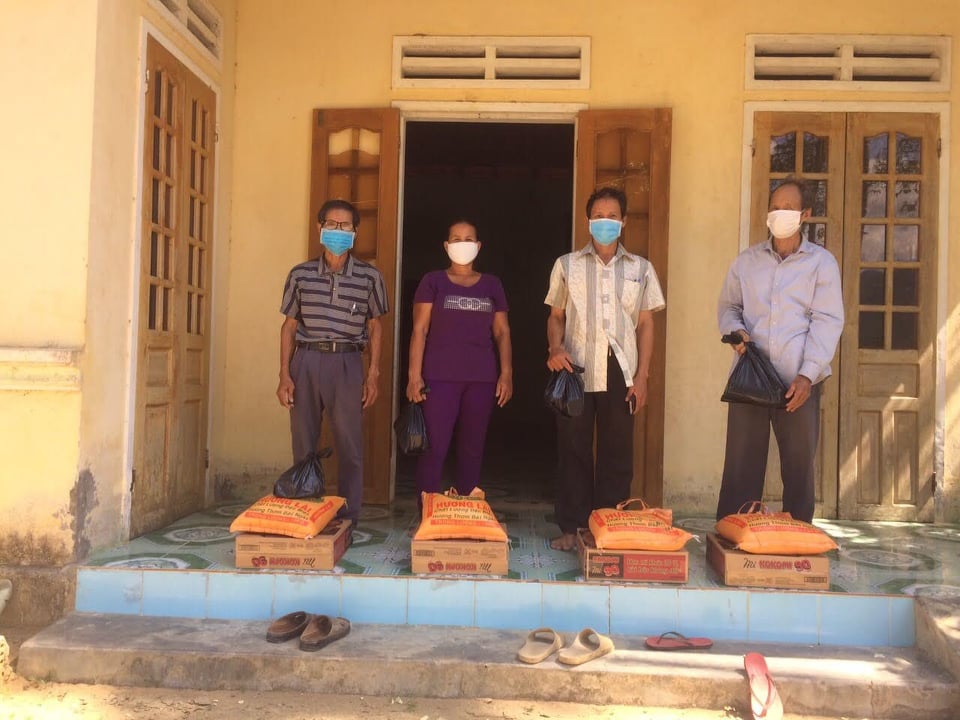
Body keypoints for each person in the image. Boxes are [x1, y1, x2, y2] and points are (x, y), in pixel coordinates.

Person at [544, 187, 665, 551]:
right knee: (573, 449)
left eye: (612, 216)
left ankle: (608, 528)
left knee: (617, 453)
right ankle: (572, 528)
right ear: (588, 220)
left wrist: (643, 376)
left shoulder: (641, 269)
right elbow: (556, 315)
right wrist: (555, 347)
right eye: (598, 215)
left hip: (621, 371)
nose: (605, 222)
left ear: (623, 221)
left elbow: (646, 324)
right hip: (575, 368)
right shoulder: (567, 265)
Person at [716, 178, 843, 524]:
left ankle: (798, 539)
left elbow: (828, 320)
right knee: (741, 468)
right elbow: (729, 307)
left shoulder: (821, 263)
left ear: (805, 214)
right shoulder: (747, 262)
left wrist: (808, 374)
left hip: (797, 383)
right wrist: (735, 332)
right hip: (750, 379)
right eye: (775, 207)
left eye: (789, 207)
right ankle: (734, 535)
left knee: (799, 469)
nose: (780, 213)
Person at [277, 199, 389, 527]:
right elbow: (289, 327)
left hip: (348, 361)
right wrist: (284, 374)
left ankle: (348, 516)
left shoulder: (370, 277)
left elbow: (375, 327)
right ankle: (306, 511)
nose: (338, 231)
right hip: (306, 360)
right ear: (320, 228)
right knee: (303, 441)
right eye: (332, 224)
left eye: (345, 226)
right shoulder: (300, 274)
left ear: (355, 231)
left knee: (350, 443)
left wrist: (373, 374)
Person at [406, 219, 513, 510]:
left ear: (478, 246)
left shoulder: (492, 284)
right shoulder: (433, 281)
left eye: (468, 239)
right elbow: (420, 330)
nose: (462, 244)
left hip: (481, 379)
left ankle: (466, 511)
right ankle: (427, 513)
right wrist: (414, 376)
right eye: (456, 239)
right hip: (438, 378)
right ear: (446, 246)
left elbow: (502, 332)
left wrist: (506, 373)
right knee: (434, 448)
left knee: (472, 448)